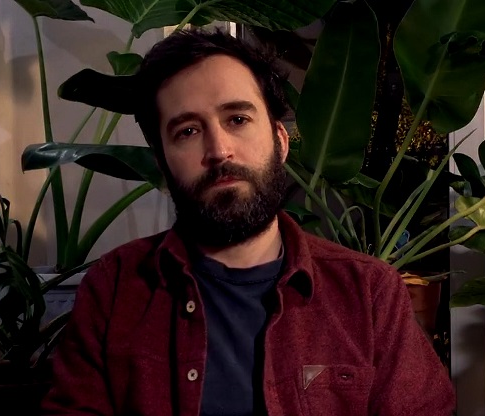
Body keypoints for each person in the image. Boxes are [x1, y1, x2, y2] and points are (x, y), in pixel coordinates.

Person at [41, 28, 455, 416]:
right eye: (187, 131)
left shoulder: (369, 293)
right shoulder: (114, 287)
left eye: (237, 119)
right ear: (162, 163)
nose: (219, 149)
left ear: (280, 141)